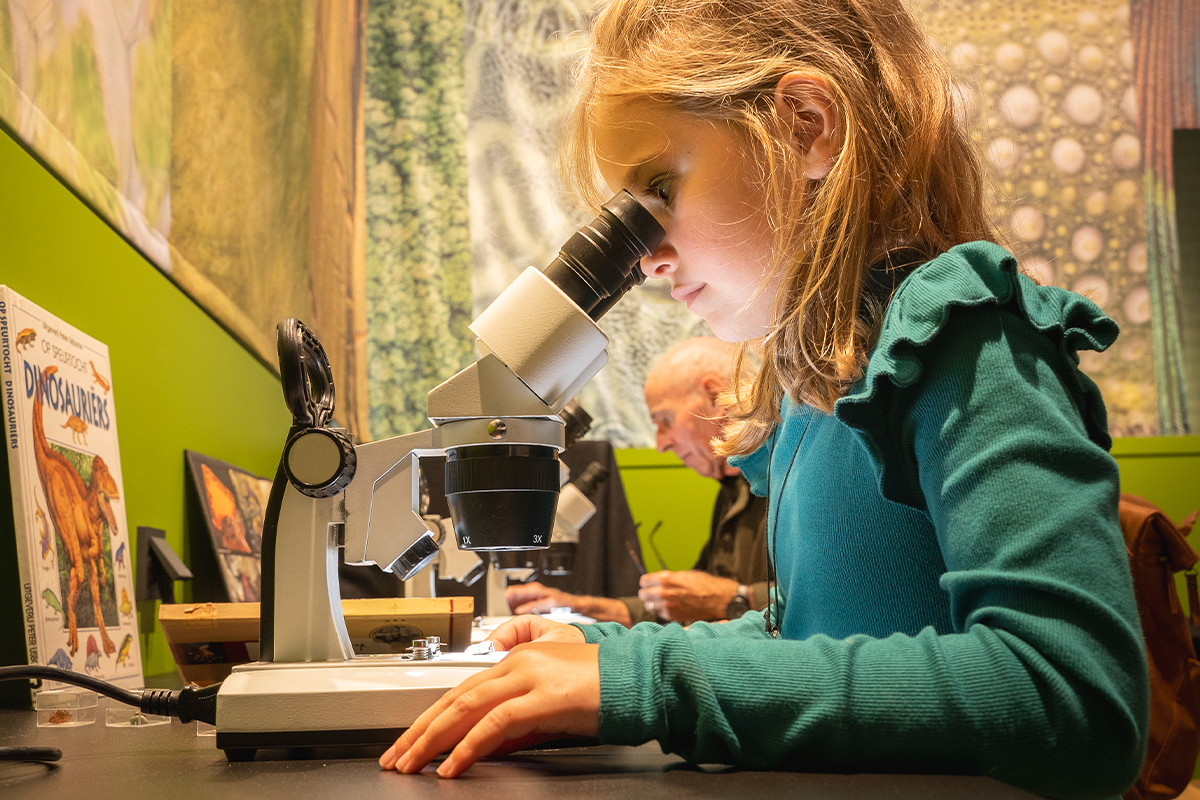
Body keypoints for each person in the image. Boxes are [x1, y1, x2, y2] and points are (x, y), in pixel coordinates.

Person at [380, 1, 1150, 796]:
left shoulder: (965, 340)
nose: (645, 259)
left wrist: (650, 681)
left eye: (657, 191)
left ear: (807, 125)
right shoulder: (819, 390)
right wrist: (605, 657)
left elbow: (1074, 697)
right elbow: (816, 639)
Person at [507, 337, 769, 626]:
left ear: (716, 397)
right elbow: (685, 609)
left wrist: (733, 597)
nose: (661, 445)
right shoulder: (733, 489)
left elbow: (815, 606)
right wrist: (574, 605)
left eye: (665, 420)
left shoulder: (785, 480)